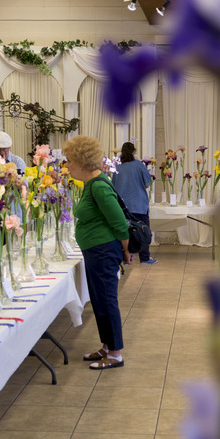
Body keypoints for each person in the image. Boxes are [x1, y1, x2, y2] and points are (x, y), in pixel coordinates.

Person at [63, 134, 132, 370]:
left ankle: (115, 354)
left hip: (104, 252)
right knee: (99, 301)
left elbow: (120, 222)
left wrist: (126, 251)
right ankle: (106, 346)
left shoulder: (100, 186)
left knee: (107, 301)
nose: (67, 165)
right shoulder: (91, 184)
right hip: (96, 252)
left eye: (70, 160)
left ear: (82, 162)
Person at [112, 141, 157, 264]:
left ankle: (125, 258)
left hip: (122, 206)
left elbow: (113, 186)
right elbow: (147, 183)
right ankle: (144, 258)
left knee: (124, 232)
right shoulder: (139, 165)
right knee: (143, 231)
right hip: (138, 204)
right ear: (134, 152)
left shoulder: (116, 166)